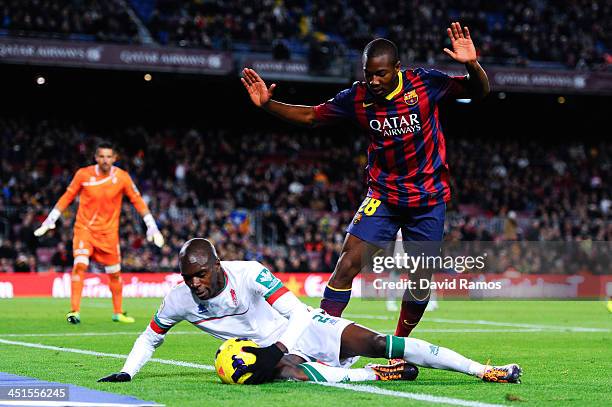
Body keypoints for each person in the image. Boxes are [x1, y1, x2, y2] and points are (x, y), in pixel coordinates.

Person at [241, 22, 490, 337]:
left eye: (381, 74)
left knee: (420, 281)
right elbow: (312, 116)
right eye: (368, 73)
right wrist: (268, 105)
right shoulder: (357, 97)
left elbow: (479, 91)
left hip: (427, 198)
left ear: (397, 69)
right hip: (384, 197)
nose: (373, 80)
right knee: (346, 264)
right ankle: (321, 341)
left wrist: (471, 65)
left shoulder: (424, 84)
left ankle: (397, 347)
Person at [97, 238, 521, 384]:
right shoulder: (179, 299)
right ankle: (375, 375)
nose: (196, 284)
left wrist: (282, 345)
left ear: (218, 266)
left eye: (202, 274)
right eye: (189, 277)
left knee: (380, 341)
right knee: (280, 371)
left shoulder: (250, 274)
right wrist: (128, 371)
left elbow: (297, 312)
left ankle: (482, 370)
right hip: (270, 355)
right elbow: (151, 335)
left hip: (300, 328)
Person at [34, 141, 164, 324]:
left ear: (114, 158)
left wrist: (152, 225)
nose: (105, 160)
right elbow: (67, 197)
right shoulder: (83, 174)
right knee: (80, 265)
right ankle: (74, 311)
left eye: (108, 156)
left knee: (115, 274)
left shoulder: (122, 177)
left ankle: (118, 312)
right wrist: (51, 219)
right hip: (84, 230)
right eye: (101, 156)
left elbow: (138, 200)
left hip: (109, 235)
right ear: (96, 158)